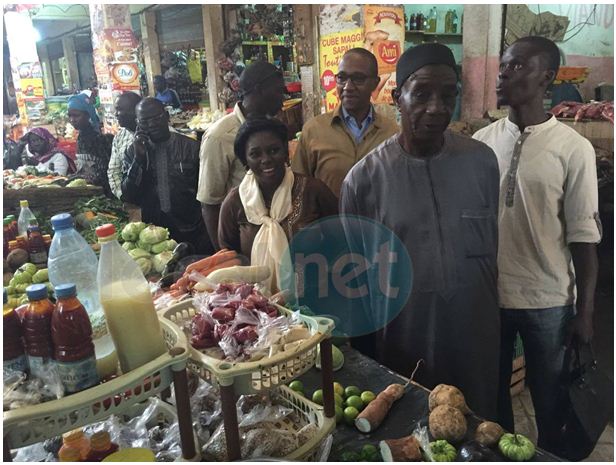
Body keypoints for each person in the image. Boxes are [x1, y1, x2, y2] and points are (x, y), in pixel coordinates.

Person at [340, 43, 501, 420]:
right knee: (412, 432)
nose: (437, 107)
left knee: (478, 430)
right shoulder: (363, 182)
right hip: (405, 341)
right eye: (423, 93)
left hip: (475, 338)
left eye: (448, 95)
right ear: (397, 97)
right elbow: (359, 286)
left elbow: (489, 252)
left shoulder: (482, 162)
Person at [473, 36, 601, 453]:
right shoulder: (483, 142)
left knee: (551, 399)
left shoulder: (573, 148)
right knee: (493, 399)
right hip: (490, 296)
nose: (504, 74)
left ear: (547, 77)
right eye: (504, 66)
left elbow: (584, 240)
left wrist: (585, 312)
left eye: (517, 67)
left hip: (548, 299)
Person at [218, 118, 338, 291]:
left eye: (274, 150)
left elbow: (340, 241)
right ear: (245, 160)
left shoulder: (313, 191)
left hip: (316, 299)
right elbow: (229, 258)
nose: (266, 159)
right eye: (255, 154)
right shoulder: (235, 202)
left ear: (286, 152)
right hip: (256, 307)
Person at [198, 61, 287, 250]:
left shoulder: (273, 126)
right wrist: (226, 256)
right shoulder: (220, 136)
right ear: (259, 90)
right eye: (278, 91)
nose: (283, 98)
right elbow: (210, 203)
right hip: (244, 239)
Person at [291, 48, 399, 198]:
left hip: (375, 221)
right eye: (342, 78)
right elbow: (297, 187)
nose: (348, 87)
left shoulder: (392, 134)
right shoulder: (314, 130)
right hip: (328, 221)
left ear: (375, 83)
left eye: (358, 79)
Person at [121, 98, 213, 254]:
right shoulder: (133, 152)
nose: (152, 125)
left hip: (193, 231)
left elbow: (207, 191)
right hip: (155, 236)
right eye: (145, 121)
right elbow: (129, 196)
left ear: (166, 116)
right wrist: (139, 160)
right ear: (138, 124)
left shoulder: (192, 148)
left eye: (156, 118)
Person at [68, 93, 113, 195]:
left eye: (76, 115)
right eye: (69, 116)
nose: (72, 120)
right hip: (88, 190)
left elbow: (104, 171)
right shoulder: (81, 137)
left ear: (88, 115)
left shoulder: (98, 139)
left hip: (103, 193)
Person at [108, 92, 142, 199]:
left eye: (120, 109)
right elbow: (114, 170)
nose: (116, 114)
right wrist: (121, 194)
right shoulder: (119, 137)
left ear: (135, 111)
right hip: (129, 196)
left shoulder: (153, 133)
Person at [10, 127, 76, 175]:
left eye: (40, 140)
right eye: (33, 141)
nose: (36, 143)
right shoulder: (35, 157)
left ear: (47, 140)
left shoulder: (58, 156)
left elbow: (60, 177)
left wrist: (38, 164)